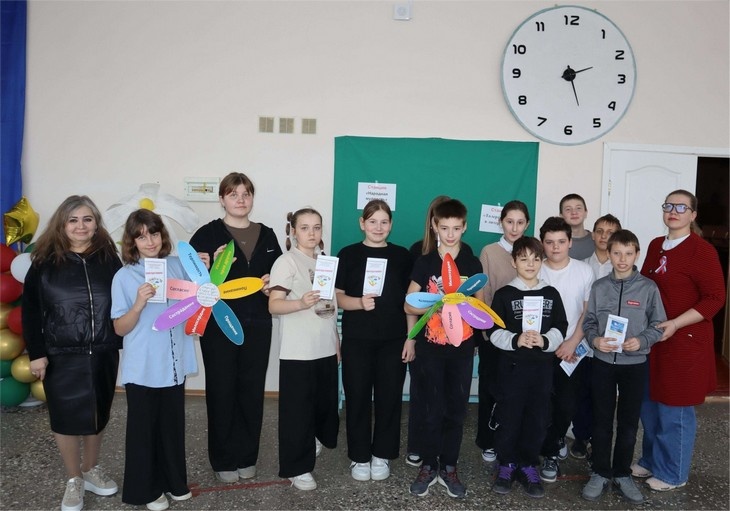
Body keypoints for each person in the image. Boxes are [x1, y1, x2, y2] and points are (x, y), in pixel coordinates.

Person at [23, 195, 122, 511]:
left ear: (96, 224)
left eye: (87, 219)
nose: (81, 226)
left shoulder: (109, 259)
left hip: (103, 351)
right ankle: (73, 478)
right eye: (73, 220)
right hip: (61, 354)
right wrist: (37, 353)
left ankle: (91, 469)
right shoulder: (44, 263)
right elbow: (30, 311)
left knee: (97, 414)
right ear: (62, 225)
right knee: (64, 418)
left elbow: (125, 300)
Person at [188, 172, 282, 483]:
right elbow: (192, 284)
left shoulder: (268, 235)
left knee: (252, 391)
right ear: (222, 199)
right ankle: (223, 459)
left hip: (258, 324)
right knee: (221, 390)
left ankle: (247, 456)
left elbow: (279, 278)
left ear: (252, 198)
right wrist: (208, 267)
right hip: (219, 324)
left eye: (246, 194)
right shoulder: (207, 234)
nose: (240, 200)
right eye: (233, 194)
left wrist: (272, 285)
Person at [635, 190, 725, 491]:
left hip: (684, 340)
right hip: (654, 340)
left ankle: (673, 473)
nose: (673, 211)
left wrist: (675, 323)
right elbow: (645, 287)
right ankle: (651, 460)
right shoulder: (655, 245)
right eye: (669, 206)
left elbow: (715, 298)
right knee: (650, 405)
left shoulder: (703, 251)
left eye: (681, 207)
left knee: (675, 409)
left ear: (693, 214)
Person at [111, 209, 199, 511]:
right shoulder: (125, 276)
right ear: (132, 241)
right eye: (141, 236)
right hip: (144, 366)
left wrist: (206, 273)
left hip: (174, 363)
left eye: (154, 233)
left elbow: (198, 302)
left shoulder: (176, 266)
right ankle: (145, 490)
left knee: (172, 427)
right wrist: (138, 304)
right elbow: (119, 328)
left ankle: (174, 482)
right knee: (143, 431)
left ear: (162, 235)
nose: (149, 241)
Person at [581, 230, 666, 504]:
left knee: (628, 423)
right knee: (601, 421)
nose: (622, 259)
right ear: (609, 254)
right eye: (616, 253)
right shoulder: (599, 287)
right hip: (603, 363)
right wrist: (595, 340)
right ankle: (600, 472)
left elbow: (658, 326)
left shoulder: (648, 288)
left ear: (636, 255)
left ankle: (622, 473)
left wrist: (641, 341)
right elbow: (589, 322)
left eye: (628, 253)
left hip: (635, 365)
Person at [405, 199, 482, 499]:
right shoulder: (425, 262)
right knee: (431, 408)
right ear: (435, 226)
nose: (450, 234)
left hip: (462, 350)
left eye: (456, 228)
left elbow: (480, 308)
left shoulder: (472, 263)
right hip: (430, 349)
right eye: (445, 228)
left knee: (456, 409)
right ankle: (428, 465)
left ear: (465, 227)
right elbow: (408, 304)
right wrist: (435, 305)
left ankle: (449, 466)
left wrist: (463, 306)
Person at [335, 199, 413, 482]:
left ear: (391, 225)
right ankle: (359, 457)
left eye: (384, 222)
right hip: (357, 339)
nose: (378, 227)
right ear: (362, 223)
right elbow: (337, 296)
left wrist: (411, 338)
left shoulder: (403, 256)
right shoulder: (348, 254)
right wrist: (358, 303)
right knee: (356, 398)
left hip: (393, 340)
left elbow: (411, 302)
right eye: (372, 222)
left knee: (389, 398)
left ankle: (382, 454)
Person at [488, 236, 568, 499]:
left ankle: (528, 464)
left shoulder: (550, 294)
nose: (530, 264)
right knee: (509, 417)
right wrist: (515, 339)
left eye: (535, 259)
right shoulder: (504, 294)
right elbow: (493, 331)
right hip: (511, 370)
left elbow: (561, 327)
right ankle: (507, 464)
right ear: (514, 262)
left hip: (541, 371)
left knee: (537, 418)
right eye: (523, 259)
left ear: (541, 261)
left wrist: (544, 340)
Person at [269, 208, 340, 491]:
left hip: (325, 348)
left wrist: (336, 340)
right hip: (298, 351)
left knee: (323, 407)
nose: (312, 233)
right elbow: (274, 304)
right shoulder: (286, 261)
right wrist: (300, 303)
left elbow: (330, 307)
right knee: (296, 413)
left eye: (317, 227)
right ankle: (297, 468)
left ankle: (311, 441)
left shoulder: (325, 262)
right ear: (293, 231)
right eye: (305, 227)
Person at [538, 217, 594, 483]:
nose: (555, 247)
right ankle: (545, 449)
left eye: (561, 241)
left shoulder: (584, 271)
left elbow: (587, 312)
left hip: (572, 350)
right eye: (549, 242)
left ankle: (555, 442)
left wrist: (572, 342)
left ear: (570, 242)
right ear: (542, 244)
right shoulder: (535, 269)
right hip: (539, 350)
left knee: (566, 404)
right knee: (540, 403)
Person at [476, 200, 531, 463]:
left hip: (526, 338)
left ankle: (517, 440)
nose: (514, 228)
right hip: (494, 335)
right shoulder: (489, 251)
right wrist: (490, 331)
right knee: (491, 389)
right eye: (509, 222)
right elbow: (483, 294)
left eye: (520, 223)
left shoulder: (532, 250)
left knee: (518, 391)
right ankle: (488, 441)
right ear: (501, 222)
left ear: (527, 224)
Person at [571, 213, 622, 460]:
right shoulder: (580, 266)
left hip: (610, 345)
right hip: (583, 342)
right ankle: (581, 437)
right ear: (593, 235)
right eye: (599, 231)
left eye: (610, 232)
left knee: (604, 396)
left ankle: (599, 443)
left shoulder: (622, 268)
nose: (604, 236)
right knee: (581, 392)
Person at [560, 193, 594, 260]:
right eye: (568, 209)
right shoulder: (555, 242)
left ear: (586, 213)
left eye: (578, 208)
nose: (574, 212)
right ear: (561, 215)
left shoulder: (596, 240)